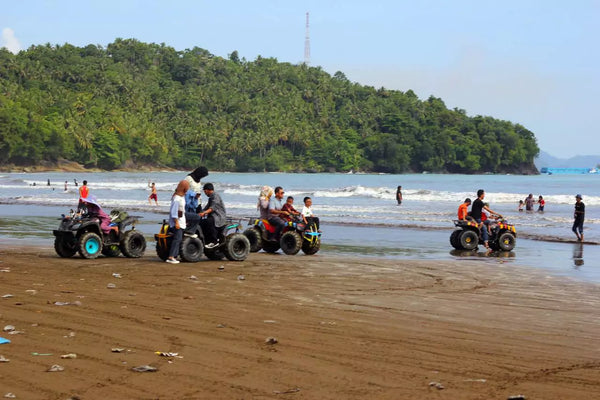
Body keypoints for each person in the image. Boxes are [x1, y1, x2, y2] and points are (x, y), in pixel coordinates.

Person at [166, 180, 189, 264]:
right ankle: (171, 257)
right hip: (177, 221)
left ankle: (174, 256)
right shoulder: (176, 199)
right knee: (177, 239)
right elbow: (173, 212)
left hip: (181, 220)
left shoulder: (180, 197)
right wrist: (176, 222)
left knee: (178, 239)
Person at [198, 183, 226, 248]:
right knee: (202, 222)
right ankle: (207, 240)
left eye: (205, 191)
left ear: (208, 190)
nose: (205, 193)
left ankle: (214, 241)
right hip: (213, 215)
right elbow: (207, 207)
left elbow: (212, 208)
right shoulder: (211, 197)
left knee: (209, 221)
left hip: (218, 216)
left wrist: (204, 213)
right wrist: (200, 212)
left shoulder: (215, 196)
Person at [183, 167, 208, 236]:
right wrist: (193, 195)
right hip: (190, 203)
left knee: (199, 219)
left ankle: (196, 234)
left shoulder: (198, 180)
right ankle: (188, 232)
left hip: (198, 202)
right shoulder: (188, 178)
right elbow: (184, 190)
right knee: (192, 219)